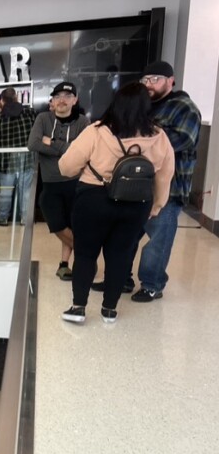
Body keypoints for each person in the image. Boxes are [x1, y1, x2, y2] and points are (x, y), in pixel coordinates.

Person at [57, 82, 174, 324]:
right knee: (120, 255)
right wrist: (157, 205)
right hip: (136, 204)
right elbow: (164, 175)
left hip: (93, 199)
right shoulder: (159, 137)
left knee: (86, 254)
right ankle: (109, 310)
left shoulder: (97, 131)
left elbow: (66, 167)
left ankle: (78, 307)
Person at [129, 60, 202, 302]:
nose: (149, 84)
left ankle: (152, 284)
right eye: (145, 80)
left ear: (170, 81)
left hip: (169, 189)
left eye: (155, 79)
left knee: (158, 241)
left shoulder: (184, 107)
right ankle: (121, 278)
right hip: (136, 186)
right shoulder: (143, 107)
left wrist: (140, 141)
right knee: (125, 236)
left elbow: (181, 141)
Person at [28, 81, 90, 280]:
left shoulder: (83, 122)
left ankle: (64, 264)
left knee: (73, 224)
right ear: (52, 101)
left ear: (75, 100)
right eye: (57, 97)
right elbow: (33, 143)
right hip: (50, 183)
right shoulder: (43, 118)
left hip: (76, 182)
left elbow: (83, 150)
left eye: (67, 96)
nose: (62, 100)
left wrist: (52, 142)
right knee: (56, 224)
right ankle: (87, 254)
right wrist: (67, 147)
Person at [0, 87, 36, 225]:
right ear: (16, 97)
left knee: (5, 191)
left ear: (2, 101)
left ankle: (3, 218)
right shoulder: (29, 113)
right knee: (25, 191)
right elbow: (37, 133)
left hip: (6, 161)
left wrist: (0, 152)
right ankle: (25, 219)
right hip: (26, 159)